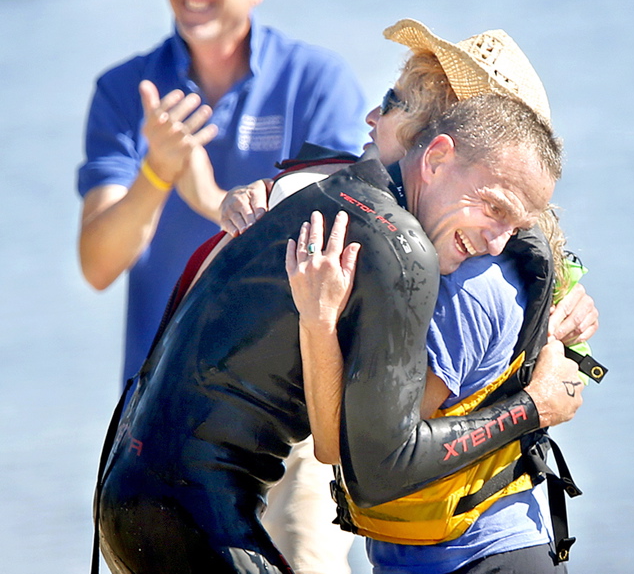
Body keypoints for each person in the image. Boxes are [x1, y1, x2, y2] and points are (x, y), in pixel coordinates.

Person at [93, 89, 584, 574]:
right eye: (494, 208)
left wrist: (320, 325)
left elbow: (341, 447)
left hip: (135, 488)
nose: (498, 244)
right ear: (435, 156)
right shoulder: (404, 248)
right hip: (186, 511)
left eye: (515, 225)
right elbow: (379, 472)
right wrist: (532, 409)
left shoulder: (335, 191)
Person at [285, 21, 598, 573]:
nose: (373, 117)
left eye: (395, 102)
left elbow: (355, 452)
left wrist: (318, 320)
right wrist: (247, 196)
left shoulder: (467, 285)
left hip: (477, 554)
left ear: (435, 142)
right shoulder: (414, 238)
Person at [76, 0, 367, 572]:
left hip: (294, 422)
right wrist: (156, 173)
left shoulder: (316, 78)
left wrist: (210, 199)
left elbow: (349, 229)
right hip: (161, 420)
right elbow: (99, 263)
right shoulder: (126, 88)